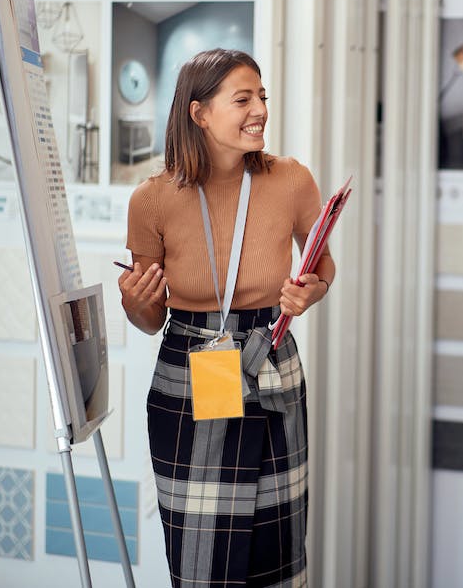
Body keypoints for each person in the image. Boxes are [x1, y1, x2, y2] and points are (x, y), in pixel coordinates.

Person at [118, 48, 333, 588]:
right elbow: (148, 319)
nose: (260, 108)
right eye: (243, 99)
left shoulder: (291, 179)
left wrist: (311, 291)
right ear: (199, 114)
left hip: (272, 364)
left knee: (275, 549)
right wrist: (136, 301)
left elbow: (321, 262)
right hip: (189, 373)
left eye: (262, 96)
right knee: (200, 560)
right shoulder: (152, 200)